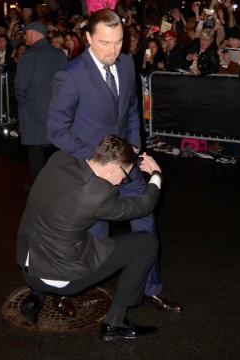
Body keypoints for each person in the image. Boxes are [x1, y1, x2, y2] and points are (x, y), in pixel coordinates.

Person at [47, 8, 183, 313]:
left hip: (128, 167)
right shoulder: (70, 75)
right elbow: (56, 130)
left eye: (119, 42)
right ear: (88, 38)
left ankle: (150, 288)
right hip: (92, 171)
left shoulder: (125, 65)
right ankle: (72, 288)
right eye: (105, 43)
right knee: (94, 234)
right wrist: (98, 159)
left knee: (146, 222)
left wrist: (133, 147)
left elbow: (132, 110)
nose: (113, 50)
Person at [17, 135, 163, 340]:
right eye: (125, 175)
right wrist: (156, 175)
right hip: (60, 278)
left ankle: (37, 296)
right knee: (146, 244)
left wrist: (127, 152)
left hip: (28, 265)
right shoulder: (99, 197)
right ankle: (116, 322)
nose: (123, 181)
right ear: (113, 167)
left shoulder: (59, 159)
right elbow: (143, 206)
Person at [15, 21, 69, 192]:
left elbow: (20, 85)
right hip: (56, 109)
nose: (25, 37)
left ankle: (38, 185)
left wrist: (23, 103)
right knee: (56, 147)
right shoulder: (60, 55)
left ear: (35, 34)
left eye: (26, 33)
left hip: (33, 109)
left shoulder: (28, 56)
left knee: (36, 148)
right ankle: (58, 182)